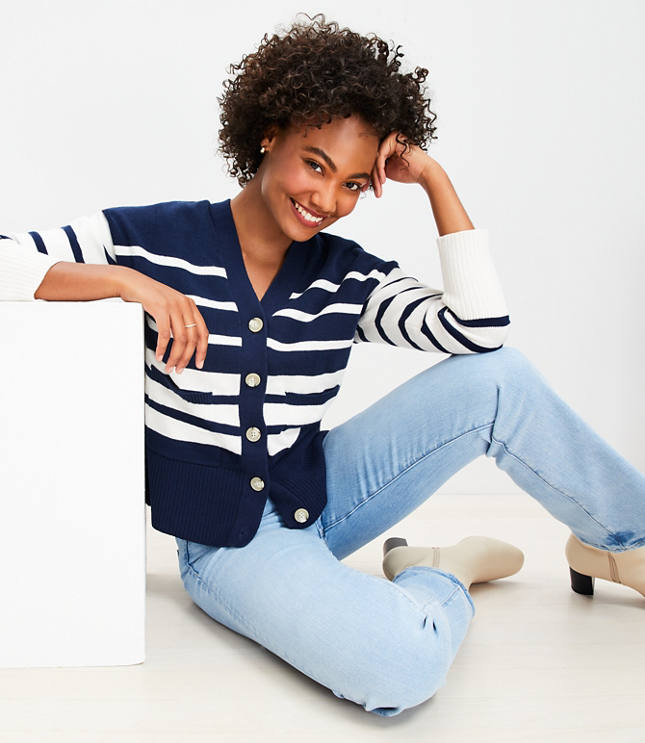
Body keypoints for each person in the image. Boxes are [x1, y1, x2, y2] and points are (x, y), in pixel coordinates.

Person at [2, 12, 644, 718]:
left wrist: (429, 176)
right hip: (230, 542)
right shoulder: (146, 238)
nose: (325, 200)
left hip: (324, 490)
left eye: (352, 183)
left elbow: (479, 331)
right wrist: (128, 283)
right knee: (399, 666)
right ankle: (440, 569)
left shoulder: (344, 276)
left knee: (500, 377)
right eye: (315, 163)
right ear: (267, 133)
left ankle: (626, 541)